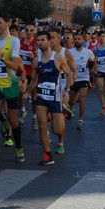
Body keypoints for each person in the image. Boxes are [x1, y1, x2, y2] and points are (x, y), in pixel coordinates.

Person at [0, 14, 25, 163]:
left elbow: (15, 66)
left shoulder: (14, 41)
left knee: (13, 121)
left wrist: (2, 58)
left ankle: (19, 148)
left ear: (7, 23)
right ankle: (2, 121)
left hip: (10, 84)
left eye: (0, 23)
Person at [29, 31, 71, 165]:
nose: (40, 42)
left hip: (56, 97)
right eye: (38, 40)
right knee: (42, 126)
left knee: (57, 129)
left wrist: (66, 90)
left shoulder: (58, 58)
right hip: (42, 96)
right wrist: (27, 93)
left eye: (43, 40)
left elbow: (69, 75)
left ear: (49, 42)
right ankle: (47, 154)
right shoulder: (36, 60)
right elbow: (34, 81)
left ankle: (62, 111)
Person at [67, 33, 95, 130]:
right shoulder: (69, 52)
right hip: (74, 78)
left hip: (84, 78)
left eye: (79, 39)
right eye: (75, 39)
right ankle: (70, 107)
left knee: (82, 97)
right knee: (70, 101)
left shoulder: (88, 52)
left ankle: (80, 120)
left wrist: (93, 68)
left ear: (83, 40)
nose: (77, 40)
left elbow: (93, 61)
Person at [93, 31, 105, 115]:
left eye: (103, 36)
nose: (101, 38)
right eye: (100, 36)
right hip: (100, 71)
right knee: (100, 89)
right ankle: (103, 108)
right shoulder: (95, 48)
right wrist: (95, 65)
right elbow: (94, 58)